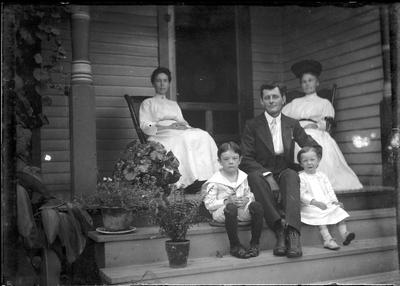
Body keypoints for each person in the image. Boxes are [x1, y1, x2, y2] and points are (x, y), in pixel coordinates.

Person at [240, 82, 320, 258]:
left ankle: (293, 234)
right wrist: (268, 176)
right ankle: (279, 230)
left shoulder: (292, 124)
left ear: (283, 99)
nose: (271, 101)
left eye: (275, 96)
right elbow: (245, 158)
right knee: (254, 177)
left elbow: (310, 145)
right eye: (267, 97)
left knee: (292, 175)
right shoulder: (252, 125)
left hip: (284, 169)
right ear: (262, 101)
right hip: (262, 170)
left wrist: (310, 157)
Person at [282, 59, 363, 191]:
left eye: (310, 80)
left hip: (314, 130)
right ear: (301, 85)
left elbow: (327, 122)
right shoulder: (295, 103)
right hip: (296, 130)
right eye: (304, 81)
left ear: (317, 82)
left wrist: (317, 126)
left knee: (315, 139)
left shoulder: (324, 103)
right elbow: (283, 118)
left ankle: (319, 182)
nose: (307, 84)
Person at [139, 67, 220, 187]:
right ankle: (188, 180)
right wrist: (166, 126)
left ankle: (207, 177)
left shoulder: (173, 104)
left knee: (203, 135)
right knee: (184, 138)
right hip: (161, 134)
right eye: (158, 81)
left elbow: (183, 122)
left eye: (165, 81)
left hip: (178, 130)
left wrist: (184, 126)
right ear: (153, 83)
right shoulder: (148, 103)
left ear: (169, 83)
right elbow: (145, 125)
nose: (162, 84)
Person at [203, 142, 264, 259]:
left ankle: (255, 244)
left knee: (257, 206)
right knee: (231, 208)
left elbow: (249, 193)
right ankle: (235, 245)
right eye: (226, 159)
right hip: (223, 213)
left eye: (234, 158)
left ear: (240, 160)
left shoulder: (243, 177)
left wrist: (246, 199)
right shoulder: (215, 180)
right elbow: (209, 204)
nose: (231, 162)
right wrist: (226, 202)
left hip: (241, 211)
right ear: (219, 161)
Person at [298, 146, 356, 250]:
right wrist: (314, 202)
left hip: (326, 202)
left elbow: (329, 190)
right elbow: (302, 194)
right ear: (301, 164)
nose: (309, 163)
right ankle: (328, 239)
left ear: (318, 161)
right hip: (310, 205)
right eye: (305, 161)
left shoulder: (322, 175)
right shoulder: (301, 177)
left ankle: (344, 233)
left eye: (312, 160)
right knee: (319, 214)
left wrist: (334, 201)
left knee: (338, 211)